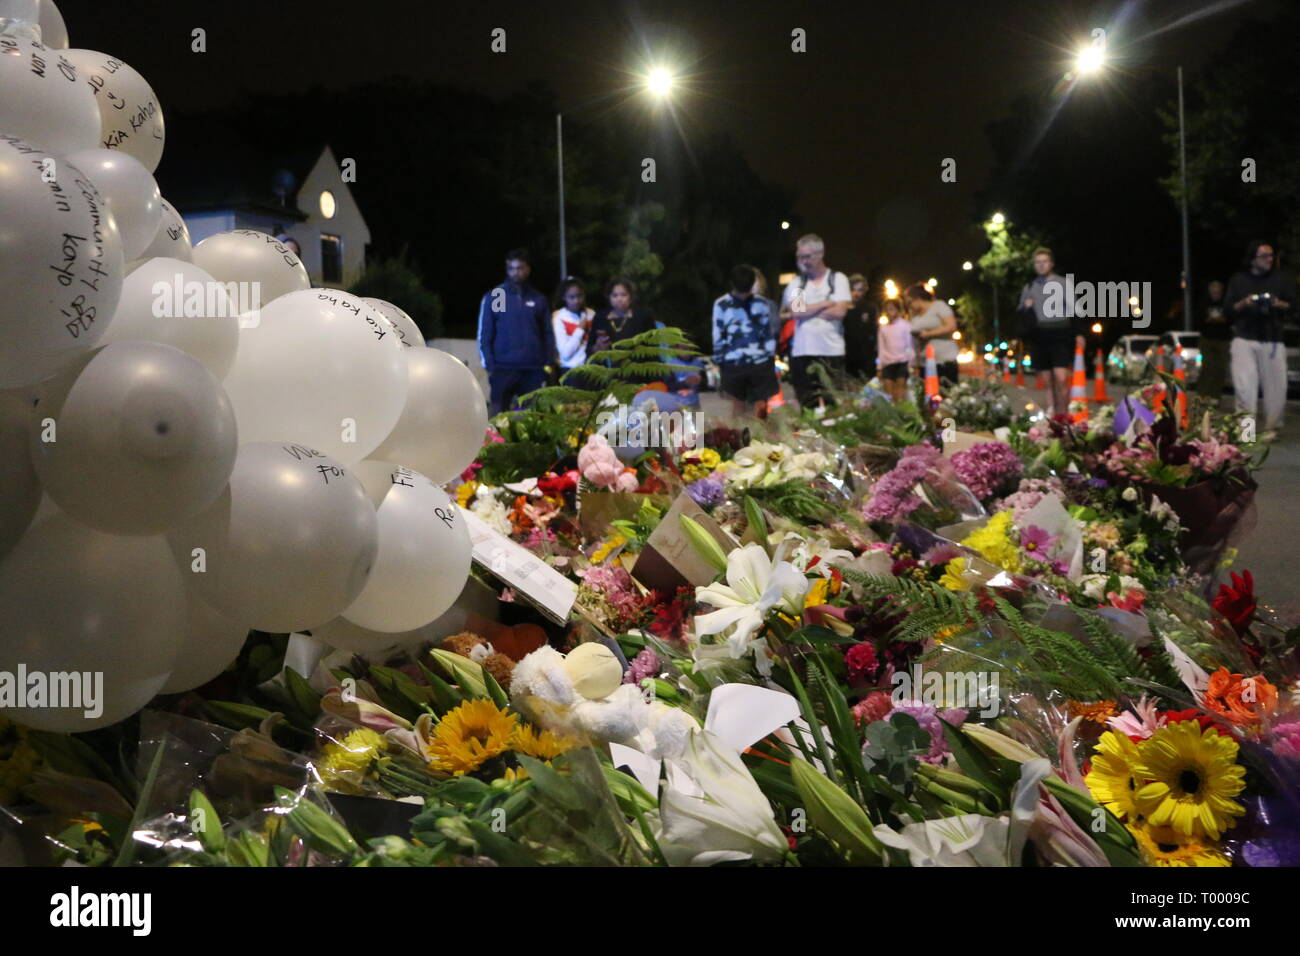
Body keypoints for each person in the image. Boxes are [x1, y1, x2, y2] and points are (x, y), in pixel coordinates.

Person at [476, 248, 556, 416]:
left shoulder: (538, 299)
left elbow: (548, 333)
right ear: (507, 269)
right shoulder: (497, 296)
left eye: (520, 268)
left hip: (533, 369)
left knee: (533, 418)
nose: (516, 272)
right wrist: (490, 365)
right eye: (512, 268)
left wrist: (547, 362)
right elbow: (486, 333)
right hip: (503, 368)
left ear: (528, 269)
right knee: (498, 419)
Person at [1226, 240, 1293, 436]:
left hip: (1273, 339)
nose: (1269, 259)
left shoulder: (1281, 279)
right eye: (1264, 256)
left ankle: (1271, 429)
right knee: (1245, 387)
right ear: (1252, 258)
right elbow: (1228, 309)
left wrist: (1277, 303)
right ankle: (1246, 432)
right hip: (1245, 338)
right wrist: (1246, 302)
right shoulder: (1239, 280)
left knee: (1277, 389)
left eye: (1272, 255)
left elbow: (1293, 306)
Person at [779, 233, 851, 409]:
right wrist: (826, 303)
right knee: (807, 405)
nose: (803, 261)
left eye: (807, 256)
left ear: (820, 254)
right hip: (803, 352)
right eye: (800, 257)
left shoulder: (837, 279)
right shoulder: (797, 282)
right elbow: (797, 311)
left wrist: (808, 310)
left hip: (831, 351)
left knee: (834, 404)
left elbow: (840, 311)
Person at [1016, 247, 1085, 418]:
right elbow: (1020, 313)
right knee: (1047, 382)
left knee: (1061, 378)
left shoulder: (1063, 283)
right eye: (1037, 262)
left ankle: (1064, 414)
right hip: (1039, 335)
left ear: (1051, 263)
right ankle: (1052, 416)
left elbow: (1075, 310)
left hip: (1060, 333)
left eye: (1044, 261)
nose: (1041, 265)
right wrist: (1026, 307)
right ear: (1034, 265)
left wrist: (1079, 333)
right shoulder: (1029, 286)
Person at [712, 264, 780, 417]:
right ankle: (738, 435)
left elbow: (768, 333)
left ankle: (762, 438)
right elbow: (718, 334)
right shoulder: (722, 304)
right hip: (733, 362)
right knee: (738, 404)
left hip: (760, 362)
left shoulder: (761, 303)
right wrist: (720, 359)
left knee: (761, 405)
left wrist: (769, 356)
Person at [905, 283, 958, 385]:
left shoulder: (938, 306)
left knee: (946, 394)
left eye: (909, 302)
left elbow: (951, 326)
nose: (909, 306)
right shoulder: (915, 315)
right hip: (925, 362)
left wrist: (928, 334)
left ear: (917, 298)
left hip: (944, 360)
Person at [591, 278, 657, 352]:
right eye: (614, 295)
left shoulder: (644, 316)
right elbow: (589, 349)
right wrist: (598, 347)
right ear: (609, 297)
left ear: (631, 297)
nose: (619, 299)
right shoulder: (600, 318)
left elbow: (653, 347)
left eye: (624, 295)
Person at [1196, 278, 1231, 401]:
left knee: (1220, 368)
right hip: (1207, 338)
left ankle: (1215, 396)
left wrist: (1221, 320)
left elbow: (1230, 319)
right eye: (1213, 288)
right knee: (1207, 367)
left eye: (1217, 288)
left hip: (1223, 339)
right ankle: (1202, 394)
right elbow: (1200, 319)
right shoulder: (1204, 302)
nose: (1215, 291)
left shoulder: (1226, 303)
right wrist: (1209, 320)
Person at [876, 297, 913, 403]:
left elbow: (909, 345)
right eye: (887, 309)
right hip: (888, 363)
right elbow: (881, 348)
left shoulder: (905, 325)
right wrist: (879, 366)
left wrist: (911, 363)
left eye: (891, 309)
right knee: (888, 392)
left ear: (898, 310)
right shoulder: (883, 328)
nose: (889, 312)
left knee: (900, 390)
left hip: (902, 362)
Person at [552, 277, 594, 370]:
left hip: (592, 368)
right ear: (564, 297)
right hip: (570, 369)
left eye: (580, 296)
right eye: (571, 297)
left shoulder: (591, 314)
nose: (576, 301)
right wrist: (580, 329)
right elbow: (566, 353)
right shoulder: (558, 317)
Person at [842, 273, 877, 379]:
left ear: (865, 290)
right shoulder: (841, 309)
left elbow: (874, 332)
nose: (856, 293)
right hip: (847, 357)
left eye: (860, 290)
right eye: (853, 290)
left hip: (867, 358)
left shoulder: (870, 308)